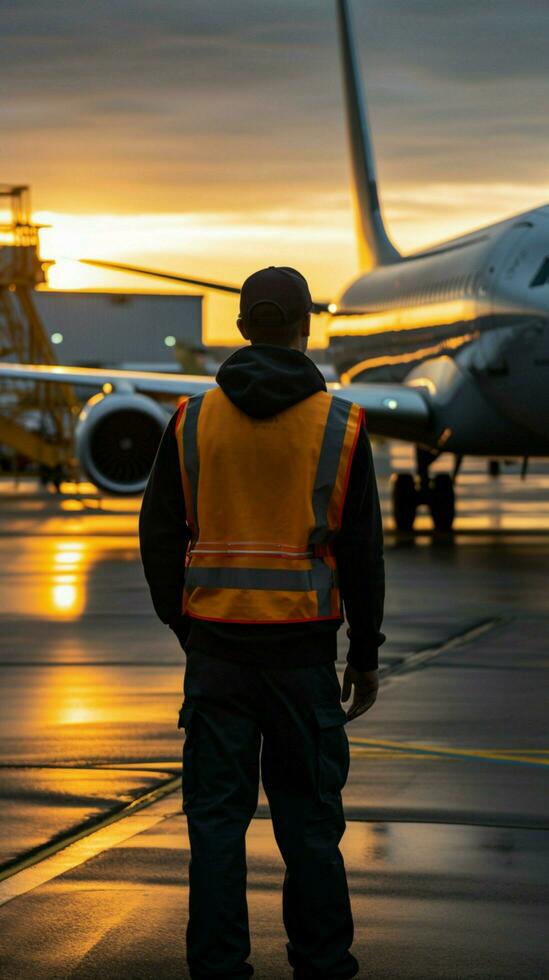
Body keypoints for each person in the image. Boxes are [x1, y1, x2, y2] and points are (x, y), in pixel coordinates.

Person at [139, 266, 385, 980]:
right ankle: (322, 963)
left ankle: (217, 966)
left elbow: (157, 536)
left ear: (242, 329)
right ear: (305, 327)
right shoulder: (340, 424)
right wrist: (362, 654)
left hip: (216, 655)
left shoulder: (191, 421)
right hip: (303, 658)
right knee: (309, 826)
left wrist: (188, 626)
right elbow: (361, 553)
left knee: (215, 824)